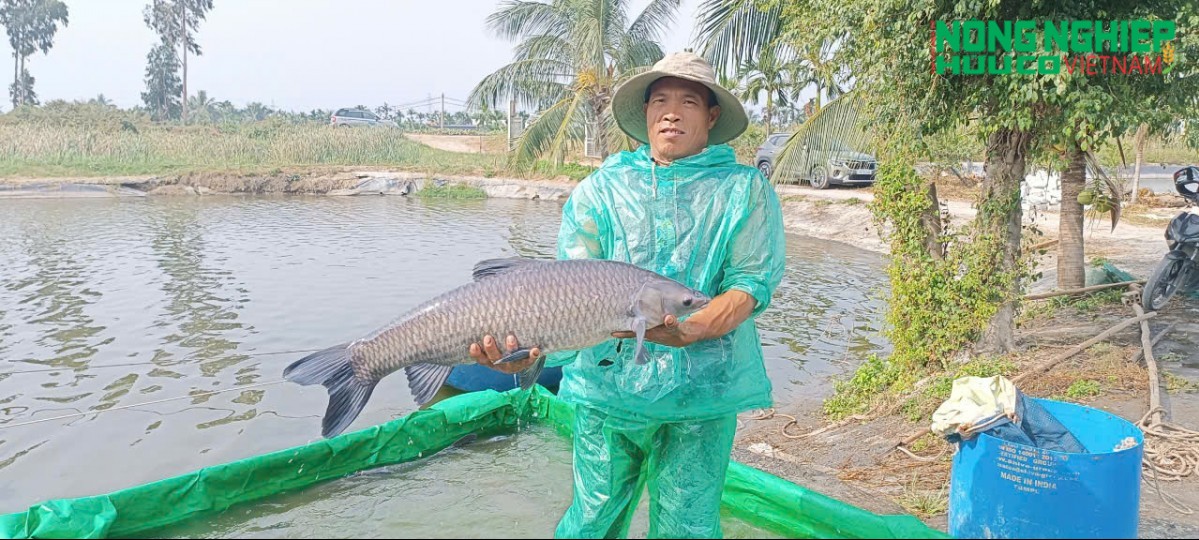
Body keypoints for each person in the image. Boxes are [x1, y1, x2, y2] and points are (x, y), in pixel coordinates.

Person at [468, 51, 786, 539]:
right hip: (607, 389)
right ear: (646, 114)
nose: (672, 112)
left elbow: (752, 282)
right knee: (593, 518)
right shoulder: (599, 191)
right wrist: (525, 354)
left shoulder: (745, 190)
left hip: (703, 395)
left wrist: (697, 327)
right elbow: (563, 298)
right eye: (660, 100)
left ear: (712, 115)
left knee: (689, 525)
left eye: (688, 101)